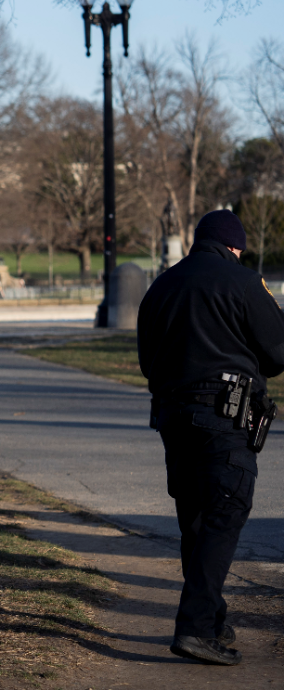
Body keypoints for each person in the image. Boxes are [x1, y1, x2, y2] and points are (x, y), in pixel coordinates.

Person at [137, 209, 284, 666]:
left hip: (173, 416)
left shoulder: (160, 285)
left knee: (196, 521)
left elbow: (147, 359)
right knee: (225, 514)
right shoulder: (243, 283)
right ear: (235, 246)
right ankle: (196, 629)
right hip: (225, 415)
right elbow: (278, 353)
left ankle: (213, 618)